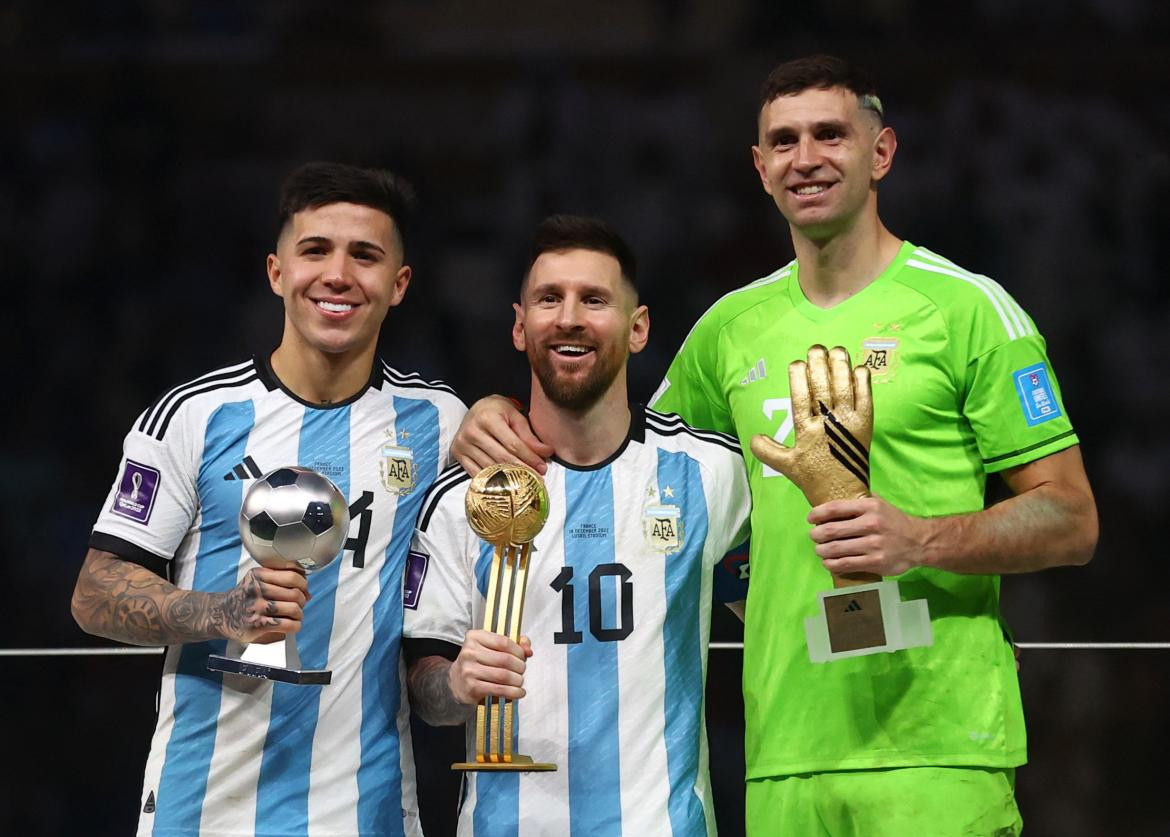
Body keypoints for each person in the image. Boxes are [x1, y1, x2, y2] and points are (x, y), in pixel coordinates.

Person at [451, 57, 1098, 835]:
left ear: (881, 152)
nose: (807, 157)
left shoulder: (966, 309)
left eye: (831, 134)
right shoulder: (730, 329)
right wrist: (492, 408)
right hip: (784, 748)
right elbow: (625, 458)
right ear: (760, 169)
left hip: (938, 741)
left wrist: (921, 538)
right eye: (783, 141)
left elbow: (1071, 517)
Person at [71, 161, 466, 837]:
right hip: (203, 808)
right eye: (315, 250)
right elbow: (95, 593)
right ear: (277, 272)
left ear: (398, 285)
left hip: (366, 812)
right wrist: (223, 609)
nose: (338, 274)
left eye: (364, 255)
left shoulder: (441, 424)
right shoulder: (194, 415)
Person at [403, 214, 751, 835]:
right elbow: (422, 691)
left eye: (594, 299)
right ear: (518, 326)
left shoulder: (712, 474)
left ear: (638, 328)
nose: (569, 317)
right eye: (548, 299)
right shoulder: (463, 497)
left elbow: (781, 595)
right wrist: (455, 682)